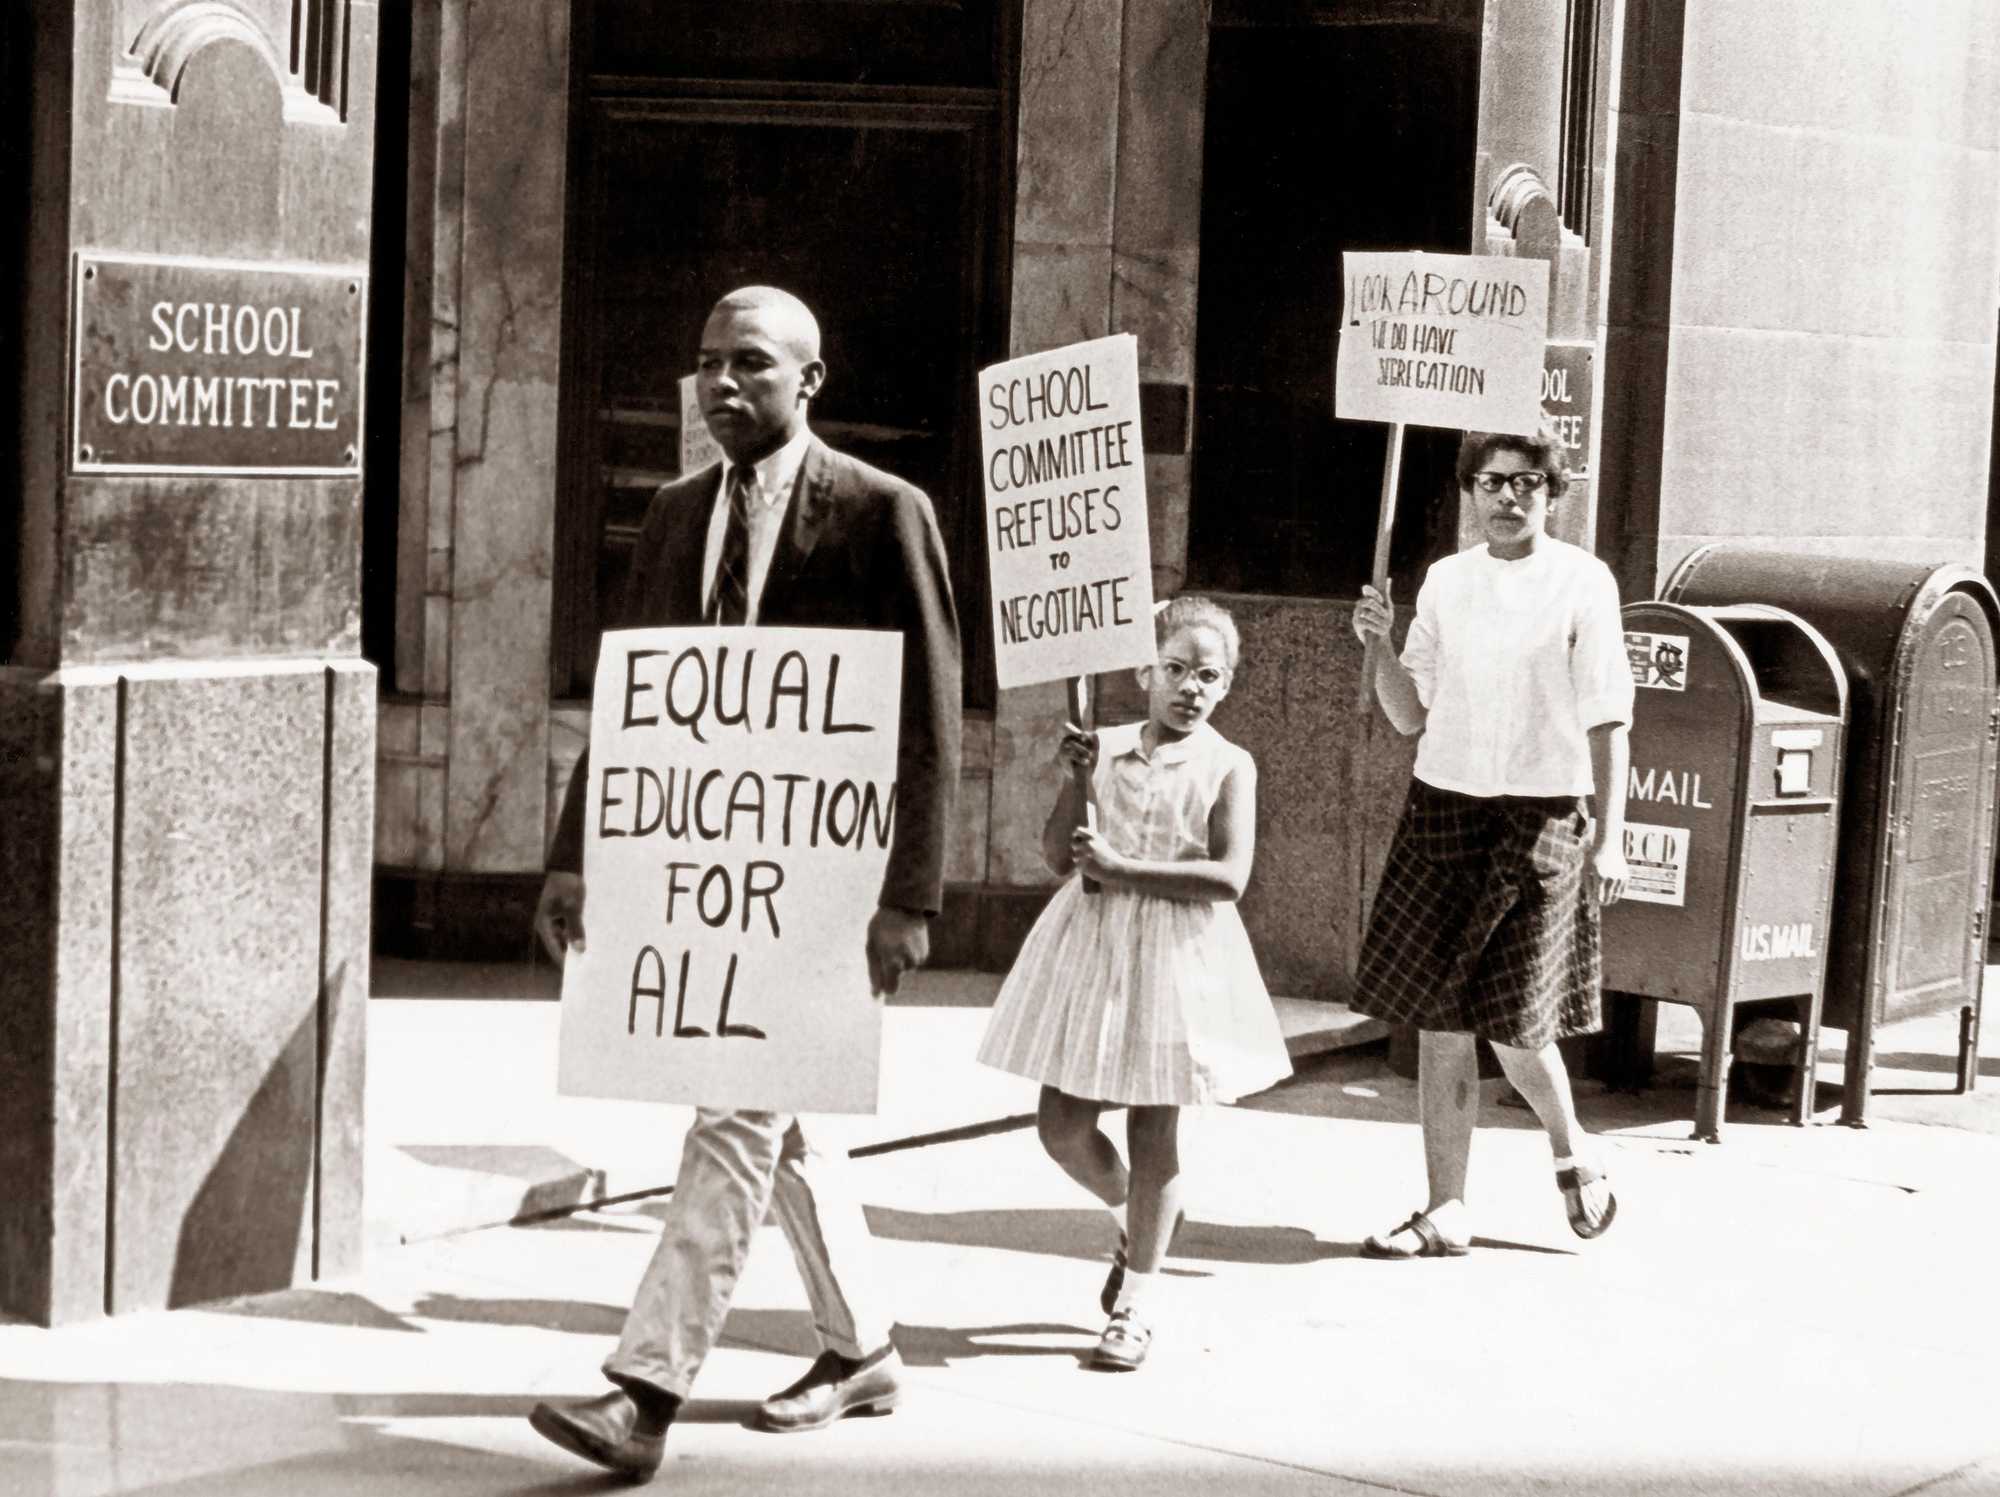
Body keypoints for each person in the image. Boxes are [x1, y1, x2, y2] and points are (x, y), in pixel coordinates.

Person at [527, 286, 961, 1480]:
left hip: (825, 891)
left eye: (752, 367)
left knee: (732, 1112)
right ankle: (863, 1345)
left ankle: (643, 1390)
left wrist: (909, 898)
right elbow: (637, 704)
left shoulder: (884, 514)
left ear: (809, 381)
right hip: (699, 885)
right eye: (707, 364)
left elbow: (927, 723)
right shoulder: (673, 516)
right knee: (775, 1113)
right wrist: (577, 857)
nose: (722, 386)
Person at [976, 596, 1292, 1371]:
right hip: (1094, 948)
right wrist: (1072, 780)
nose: (1190, 687)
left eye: (1208, 675)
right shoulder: (1105, 748)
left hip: (1177, 955)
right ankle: (1135, 1216)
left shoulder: (1229, 764)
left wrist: (1124, 869)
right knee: (1060, 1122)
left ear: (1226, 685)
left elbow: (1228, 877)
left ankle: (1137, 1302)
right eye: (1176, 668)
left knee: (1156, 1126)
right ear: (1143, 668)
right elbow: (1058, 854)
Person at [1347, 424, 1632, 1260]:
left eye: (1527, 484)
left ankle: (1573, 1146)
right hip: (1445, 808)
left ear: (1552, 494)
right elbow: (1409, 713)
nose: (1508, 498)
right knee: (1439, 1021)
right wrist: (1378, 642)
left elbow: (1609, 716)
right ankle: (1446, 1207)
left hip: (1542, 816)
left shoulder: (1584, 580)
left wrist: (1611, 838)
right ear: (1469, 492)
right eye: (1492, 483)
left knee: (1512, 1019)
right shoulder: (1444, 580)